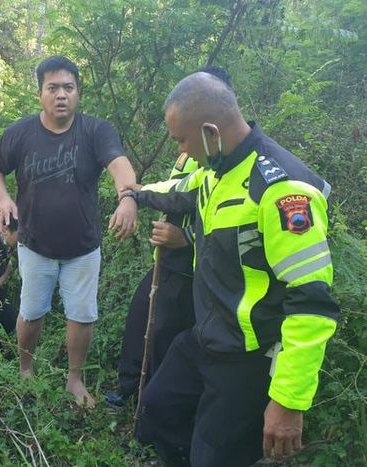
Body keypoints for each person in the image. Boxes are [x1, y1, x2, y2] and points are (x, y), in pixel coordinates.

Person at [121, 72, 339, 466]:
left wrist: (288, 401)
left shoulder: (282, 190)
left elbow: (311, 302)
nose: (181, 152)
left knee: (215, 456)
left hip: (247, 358)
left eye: (181, 140)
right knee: (157, 409)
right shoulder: (215, 172)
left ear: (209, 132)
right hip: (206, 337)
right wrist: (133, 195)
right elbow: (174, 192)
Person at [0, 55, 138, 408]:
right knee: (32, 311)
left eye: (68, 87)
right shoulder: (20, 133)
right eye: (52, 88)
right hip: (34, 244)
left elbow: (119, 165)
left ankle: (74, 379)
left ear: (78, 92)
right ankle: (25, 372)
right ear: (40, 93)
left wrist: (128, 197)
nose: (61, 95)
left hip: (82, 247)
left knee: (82, 314)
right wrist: (4, 199)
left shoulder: (95, 131)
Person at [112, 67, 233, 405]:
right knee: (141, 322)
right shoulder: (190, 151)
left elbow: (228, 225)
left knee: (166, 338)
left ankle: (151, 403)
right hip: (167, 262)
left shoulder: (229, 160)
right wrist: (135, 193)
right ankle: (130, 390)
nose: (180, 144)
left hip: (190, 268)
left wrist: (188, 237)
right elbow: (178, 191)